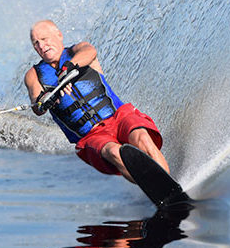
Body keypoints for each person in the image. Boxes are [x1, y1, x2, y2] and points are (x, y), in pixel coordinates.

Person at [24, 20, 169, 182]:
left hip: (119, 117)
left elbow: (90, 51)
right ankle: (154, 188)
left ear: (59, 35)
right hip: (92, 135)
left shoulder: (78, 51)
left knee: (141, 138)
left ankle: (170, 184)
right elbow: (37, 105)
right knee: (114, 152)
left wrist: (68, 68)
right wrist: (46, 99)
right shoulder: (33, 74)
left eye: (44, 39)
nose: (41, 46)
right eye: (36, 43)